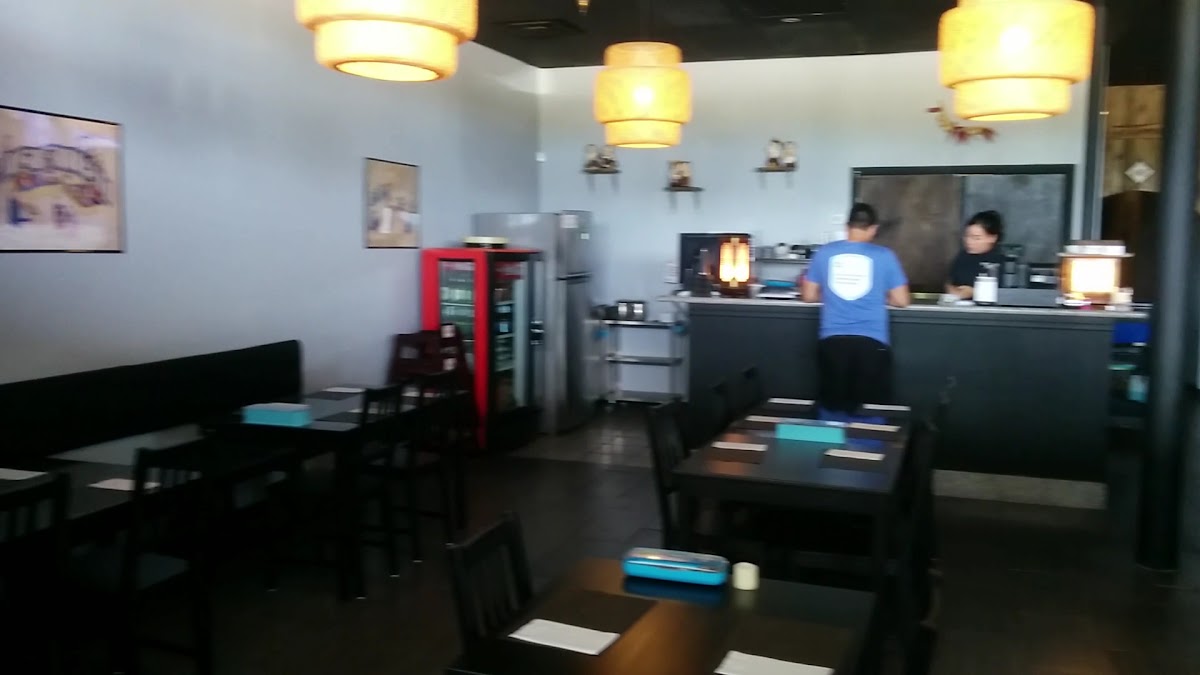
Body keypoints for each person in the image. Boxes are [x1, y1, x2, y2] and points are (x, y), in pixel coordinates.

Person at [802, 203, 910, 411]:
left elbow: (808, 296)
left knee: (832, 409)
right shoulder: (885, 256)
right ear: (873, 228)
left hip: (832, 342)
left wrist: (829, 295)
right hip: (872, 343)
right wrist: (881, 297)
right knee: (870, 412)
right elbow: (902, 300)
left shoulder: (824, 253)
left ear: (847, 226)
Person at [946, 210, 1006, 299]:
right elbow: (950, 282)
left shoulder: (1001, 261)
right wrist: (953, 291)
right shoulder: (962, 257)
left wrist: (974, 292)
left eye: (976, 238)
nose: (969, 241)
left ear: (992, 238)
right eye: (967, 236)